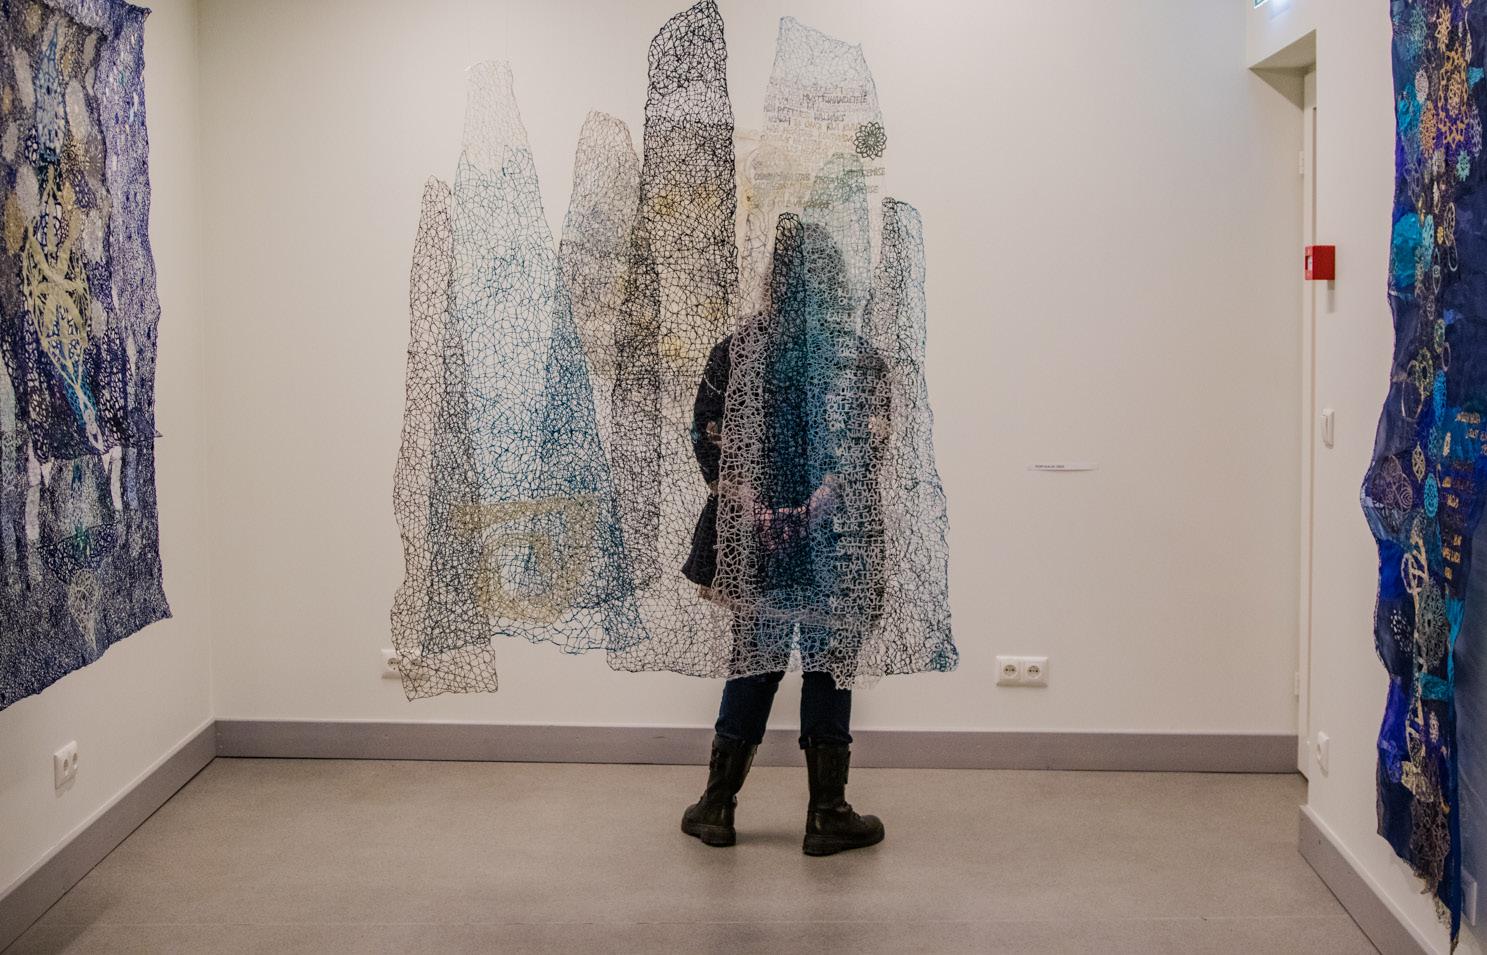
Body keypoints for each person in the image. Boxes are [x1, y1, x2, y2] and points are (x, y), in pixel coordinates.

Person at [678, 216, 888, 856]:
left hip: (756, 546)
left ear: (775, 277)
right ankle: (827, 813)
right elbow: (863, 448)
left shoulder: (737, 351)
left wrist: (759, 512)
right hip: (832, 544)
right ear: (833, 280)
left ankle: (717, 807)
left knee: (755, 661)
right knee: (828, 666)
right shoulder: (857, 356)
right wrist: (813, 511)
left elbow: (709, 436)